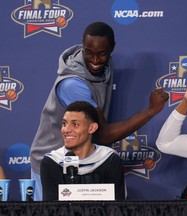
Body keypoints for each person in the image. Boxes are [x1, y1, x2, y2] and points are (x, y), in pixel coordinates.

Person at [31, 21, 169, 200]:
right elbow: (102, 134)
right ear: (82, 46)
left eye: (101, 54)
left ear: (112, 49)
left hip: (83, 160)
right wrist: (151, 110)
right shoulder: (72, 84)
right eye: (89, 52)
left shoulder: (106, 66)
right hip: (52, 164)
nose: (95, 60)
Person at [40, 101, 125, 201]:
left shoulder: (109, 160)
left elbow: (117, 206)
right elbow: (51, 208)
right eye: (64, 124)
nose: (66, 130)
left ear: (92, 128)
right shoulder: (52, 162)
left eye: (75, 124)